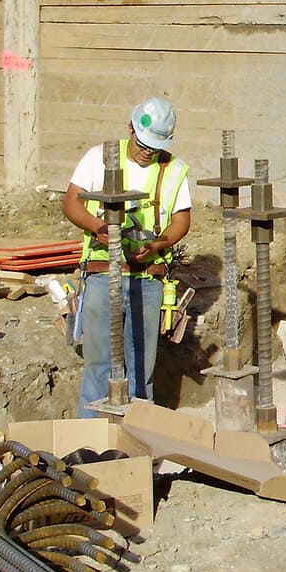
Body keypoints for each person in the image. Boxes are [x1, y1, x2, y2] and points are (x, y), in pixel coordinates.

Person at [62, 97, 193, 417]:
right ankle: (90, 447)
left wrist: (159, 245)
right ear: (130, 129)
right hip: (103, 272)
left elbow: (182, 219)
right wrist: (98, 227)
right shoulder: (99, 158)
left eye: (154, 145)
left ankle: (136, 447)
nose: (147, 151)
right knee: (98, 366)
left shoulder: (173, 170)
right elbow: (71, 202)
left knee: (140, 369)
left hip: (148, 278)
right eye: (143, 142)